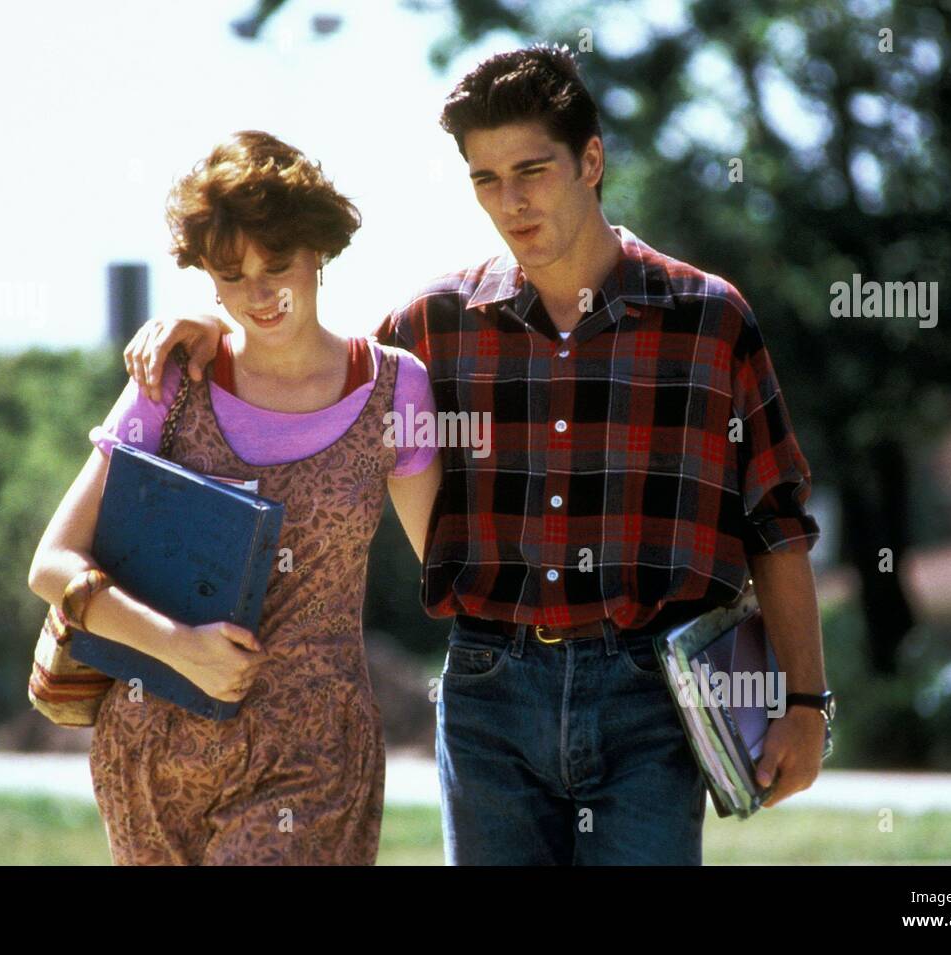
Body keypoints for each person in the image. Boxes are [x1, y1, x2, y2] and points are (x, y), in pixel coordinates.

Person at [124, 46, 833, 866]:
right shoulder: (433, 324)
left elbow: (776, 522)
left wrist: (806, 704)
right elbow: (313, 371)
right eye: (485, 179)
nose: (511, 201)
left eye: (532, 170)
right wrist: (215, 332)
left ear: (591, 160)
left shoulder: (708, 320)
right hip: (489, 695)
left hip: (653, 701)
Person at [28, 130, 442, 865]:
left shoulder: (395, 388)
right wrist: (178, 647)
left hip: (312, 758)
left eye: (277, 264)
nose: (260, 294)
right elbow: (51, 562)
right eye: (231, 274)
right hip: (150, 748)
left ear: (320, 251)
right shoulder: (171, 376)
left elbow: (448, 569)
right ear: (207, 279)